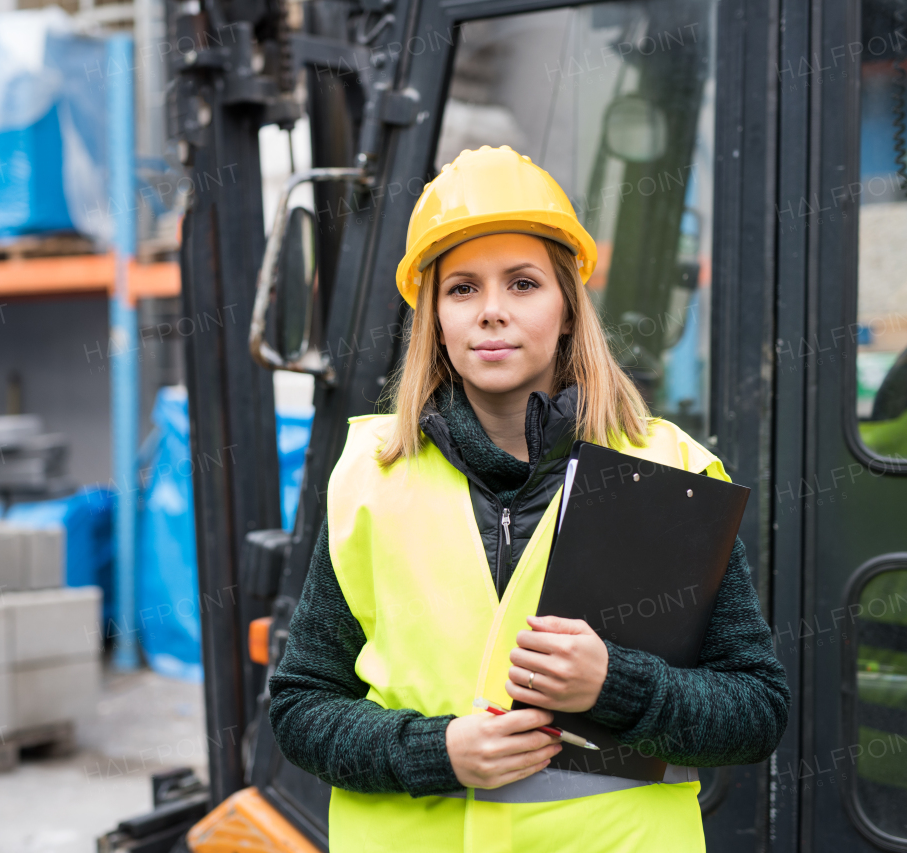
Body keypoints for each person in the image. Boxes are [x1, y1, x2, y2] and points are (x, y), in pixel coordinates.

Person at [267, 146, 790, 853]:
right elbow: (300, 707)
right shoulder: (371, 480)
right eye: (461, 289)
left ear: (569, 307)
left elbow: (756, 709)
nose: (490, 312)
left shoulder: (671, 472)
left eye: (522, 283)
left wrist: (617, 685)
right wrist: (439, 751)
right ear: (434, 320)